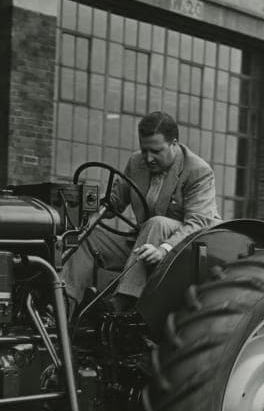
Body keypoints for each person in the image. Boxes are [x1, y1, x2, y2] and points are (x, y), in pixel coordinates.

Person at [62, 111, 220, 312]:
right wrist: (88, 210)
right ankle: (63, 308)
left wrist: (164, 249)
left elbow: (198, 223)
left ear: (174, 143)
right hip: (144, 243)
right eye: (144, 150)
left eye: (156, 151)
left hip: (186, 250)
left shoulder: (198, 171)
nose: (149, 158)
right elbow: (115, 202)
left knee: (157, 223)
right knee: (87, 238)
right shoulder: (137, 162)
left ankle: (121, 304)